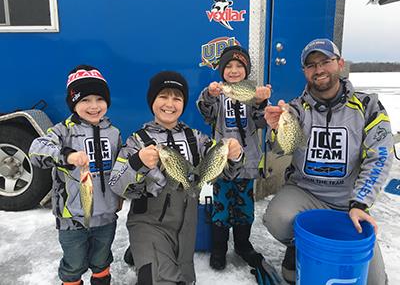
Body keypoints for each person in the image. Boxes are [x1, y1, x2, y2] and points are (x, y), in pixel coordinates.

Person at [263, 38, 393, 285]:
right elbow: (279, 150)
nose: (319, 69)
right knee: (277, 217)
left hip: (349, 203)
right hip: (305, 193)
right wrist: (274, 129)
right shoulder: (295, 109)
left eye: (325, 61)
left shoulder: (368, 107)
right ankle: (299, 244)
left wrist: (360, 203)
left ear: (340, 63)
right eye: (311, 65)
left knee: (374, 281)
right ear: (304, 72)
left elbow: (380, 158)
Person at [109, 71, 244, 285]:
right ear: (152, 100)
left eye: (177, 98)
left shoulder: (197, 139)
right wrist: (137, 163)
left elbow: (228, 172)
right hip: (149, 222)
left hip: (186, 227)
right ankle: (144, 248)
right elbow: (117, 185)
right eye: (163, 96)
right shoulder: (137, 141)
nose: (170, 104)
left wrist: (234, 155)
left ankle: (141, 253)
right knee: (157, 280)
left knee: (184, 279)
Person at [29, 65, 122, 285]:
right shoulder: (63, 131)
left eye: (99, 99)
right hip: (72, 219)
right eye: (85, 100)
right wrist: (67, 156)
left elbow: (121, 170)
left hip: (106, 216)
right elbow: (36, 150)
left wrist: (120, 197)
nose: (93, 106)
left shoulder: (114, 132)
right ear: (73, 103)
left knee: (101, 260)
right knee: (74, 264)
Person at [196, 45, 271, 270]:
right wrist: (209, 95)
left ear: (246, 70)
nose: (234, 70)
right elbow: (205, 111)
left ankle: (242, 245)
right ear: (221, 70)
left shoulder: (251, 92)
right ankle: (219, 248)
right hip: (222, 162)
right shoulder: (218, 94)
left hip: (247, 162)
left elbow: (260, 121)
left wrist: (261, 102)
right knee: (221, 206)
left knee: (245, 207)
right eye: (228, 66)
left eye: (239, 66)